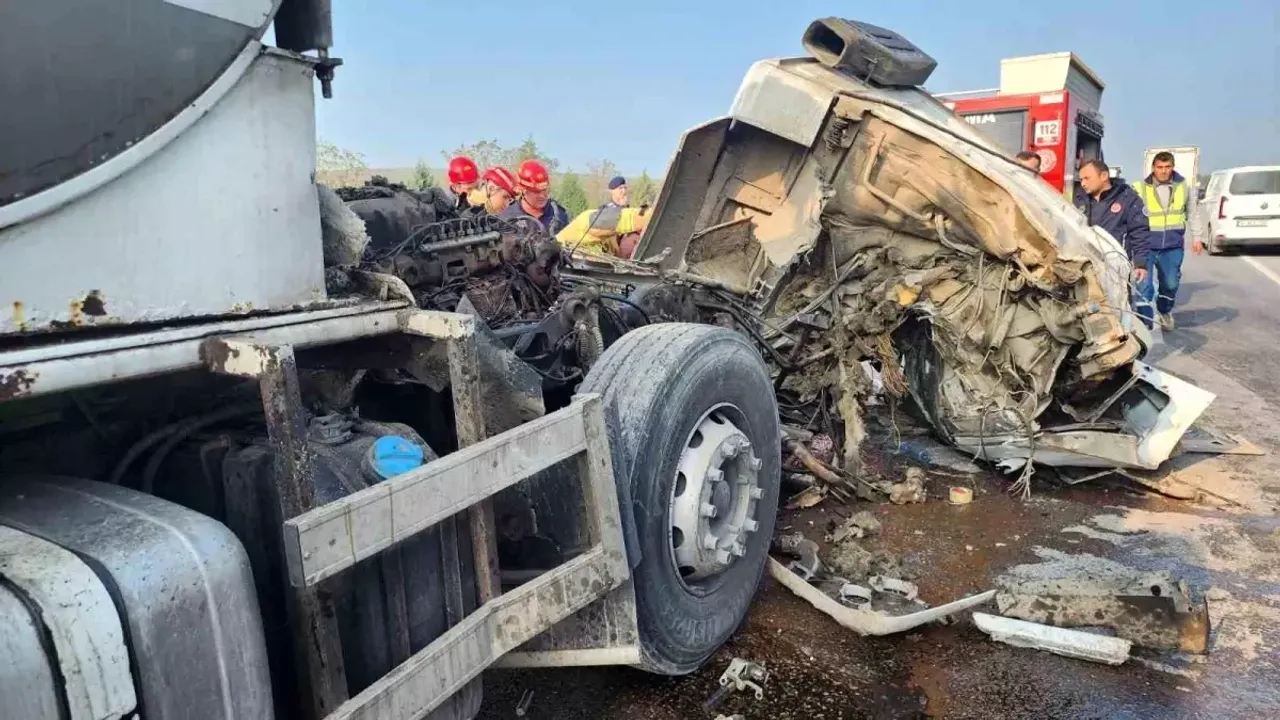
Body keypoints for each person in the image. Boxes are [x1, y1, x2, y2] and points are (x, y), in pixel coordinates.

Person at [1074, 159, 1151, 324]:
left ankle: (1125, 334)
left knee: (1119, 310)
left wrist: (1140, 263)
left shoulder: (1127, 198)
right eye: (1081, 179)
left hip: (1115, 267)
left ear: (1103, 176)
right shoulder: (1079, 199)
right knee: (1089, 311)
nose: (1083, 183)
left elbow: (1139, 231)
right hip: (1086, 266)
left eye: (1087, 178)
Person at [1130, 152, 1199, 331]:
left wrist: (1197, 237)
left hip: (1172, 246)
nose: (1163, 171)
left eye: (1167, 167)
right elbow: (1129, 216)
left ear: (1172, 167)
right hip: (1145, 246)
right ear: (1153, 168)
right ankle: (1144, 323)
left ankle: (1164, 311)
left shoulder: (1183, 187)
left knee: (1170, 284)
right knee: (1143, 286)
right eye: (1160, 167)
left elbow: (1192, 213)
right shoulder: (1139, 188)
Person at [500, 160, 570, 234]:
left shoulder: (559, 215)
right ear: (522, 189)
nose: (542, 196)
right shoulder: (506, 218)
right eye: (536, 192)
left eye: (545, 190)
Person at [556, 204, 652, 257]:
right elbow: (618, 219)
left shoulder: (615, 258)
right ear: (626, 234)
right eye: (635, 243)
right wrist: (647, 216)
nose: (633, 252)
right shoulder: (585, 224)